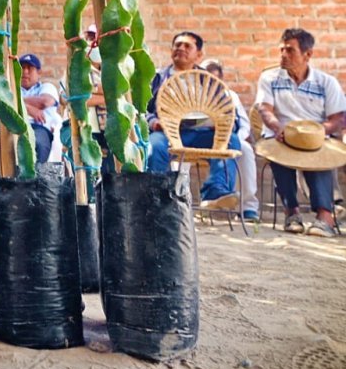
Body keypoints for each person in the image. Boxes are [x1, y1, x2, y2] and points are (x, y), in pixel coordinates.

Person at [255, 28, 346, 237]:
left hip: (316, 136)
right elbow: (264, 110)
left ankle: (325, 216)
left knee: (321, 156)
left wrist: (316, 133)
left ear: (308, 55)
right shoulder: (269, 78)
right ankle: (291, 212)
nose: (284, 55)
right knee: (278, 156)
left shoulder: (326, 82)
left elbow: (337, 119)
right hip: (281, 134)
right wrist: (278, 128)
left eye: (290, 51)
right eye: (281, 50)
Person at [146, 32, 240, 207]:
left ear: (199, 55)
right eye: (177, 45)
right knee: (154, 146)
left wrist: (220, 125)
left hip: (201, 134)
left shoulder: (209, 81)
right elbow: (142, 110)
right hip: (166, 134)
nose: (181, 48)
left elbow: (228, 113)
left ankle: (215, 193)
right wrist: (154, 122)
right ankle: (156, 199)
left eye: (187, 46)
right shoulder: (157, 78)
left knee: (231, 141)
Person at [202, 59, 260, 221]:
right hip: (203, 138)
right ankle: (183, 200)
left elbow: (244, 124)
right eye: (206, 78)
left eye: (215, 79)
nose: (211, 83)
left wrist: (235, 139)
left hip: (228, 138)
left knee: (246, 149)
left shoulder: (230, 96)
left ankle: (248, 207)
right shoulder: (195, 95)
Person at [19, 54, 60, 162]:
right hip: (13, 126)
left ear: (39, 73)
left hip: (38, 128)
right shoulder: (11, 88)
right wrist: (28, 108)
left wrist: (16, 101)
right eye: (22, 68)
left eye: (30, 68)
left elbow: (44, 102)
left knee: (39, 142)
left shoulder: (47, 87)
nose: (25, 72)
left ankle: (37, 178)